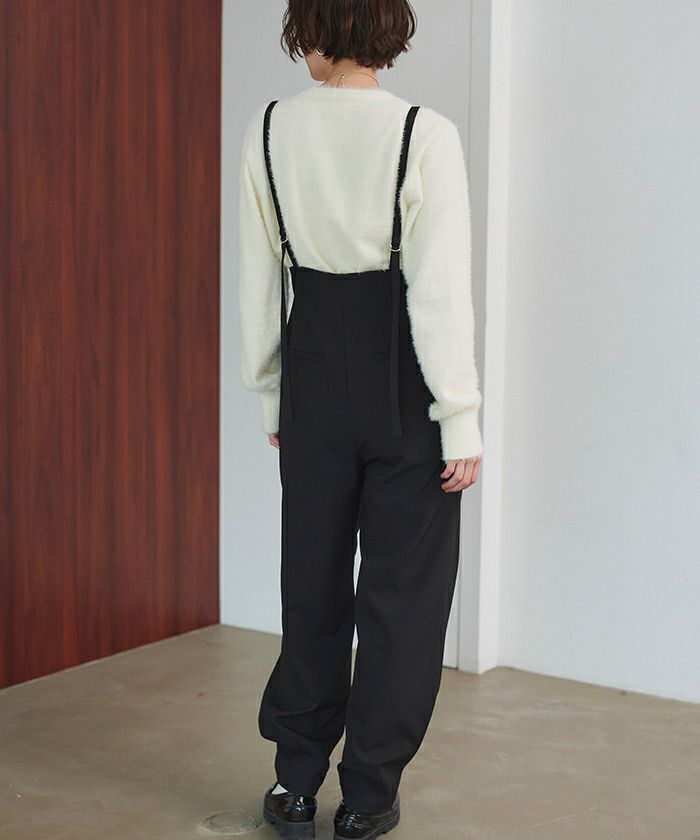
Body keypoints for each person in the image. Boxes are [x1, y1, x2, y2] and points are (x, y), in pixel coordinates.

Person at [238, 2, 483, 837]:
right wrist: (460, 418)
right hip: (406, 388)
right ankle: (369, 796)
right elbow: (438, 289)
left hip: (312, 376)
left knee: (310, 583)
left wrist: (272, 392)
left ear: (313, 31)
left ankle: (296, 785)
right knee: (403, 598)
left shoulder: (270, 129)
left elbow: (258, 279)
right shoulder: (424, 134)